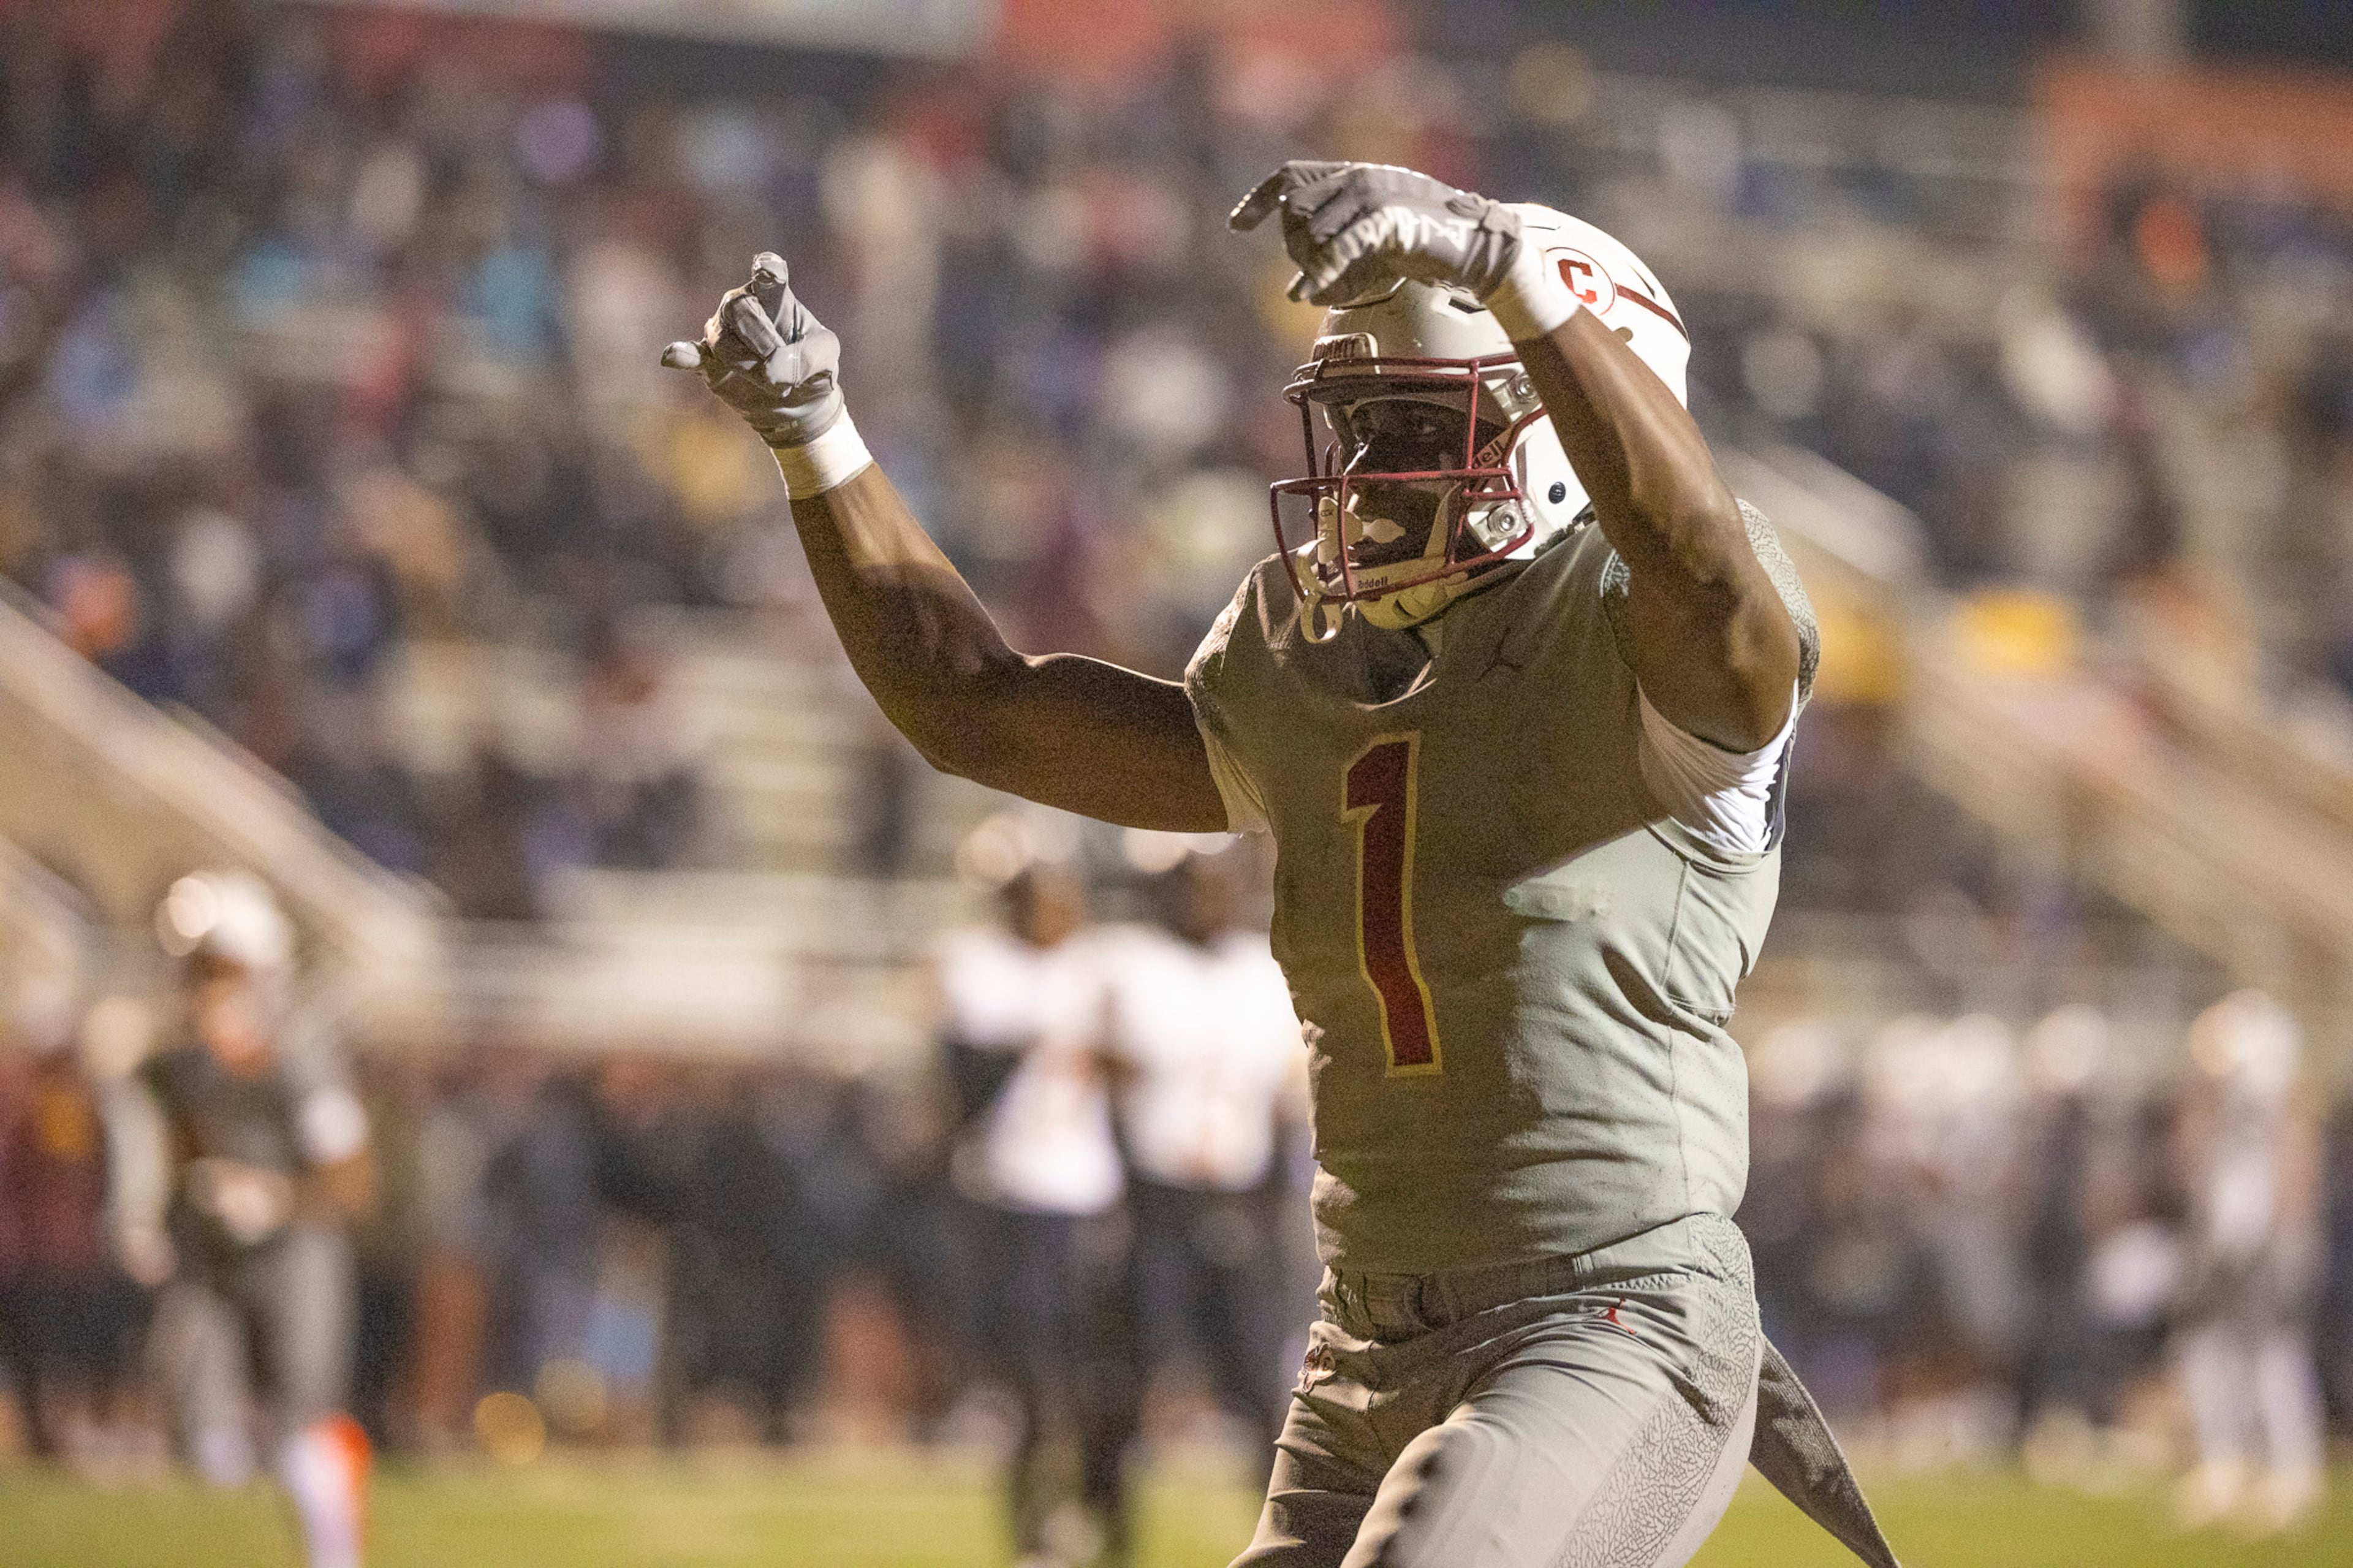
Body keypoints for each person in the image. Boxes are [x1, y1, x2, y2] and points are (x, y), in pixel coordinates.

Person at [667, 160, 1898, 1568]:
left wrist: (1498, 259)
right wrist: (817, 441)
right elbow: (980, 709)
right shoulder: (1305, 659)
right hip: (1362, 1336)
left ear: (1561, 422)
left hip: (1605, 1315)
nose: (1363, 473)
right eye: (1354, 426)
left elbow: (1702, 582)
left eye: (1409, 426)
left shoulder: (1655, 632)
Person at [108, 871, 375, 1568]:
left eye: (214, 972)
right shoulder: (176, 1068)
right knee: (201, 1424)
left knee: (304, 1422)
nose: (200, 992)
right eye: (195, 973)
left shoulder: (302, 1063)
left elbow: (354, 1182)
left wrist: (279, 1198)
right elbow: (162, 1149)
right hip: (212, 1257)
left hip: (295, 1254)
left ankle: (333, 1556)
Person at [937, 817, 1134, 1568]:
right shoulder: (980, 969)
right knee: (1027, 1381)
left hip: (1086, 1191)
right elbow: (957, 1086)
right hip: (1007, 1194)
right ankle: (1035, 1528)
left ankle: (1090, 1519)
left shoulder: (1100, 969)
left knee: (1092, 1381)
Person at [1102, 839, 1306, 1469]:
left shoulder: (1263, 971)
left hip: (1241, 1192)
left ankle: (1282, 1524)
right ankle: (1100, 1522)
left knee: (1253, 1366)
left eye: (1213, 882)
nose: (1202, 897)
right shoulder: (1131, 963)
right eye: (1189, 883)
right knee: (1130, 1367)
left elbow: (1285, 1092)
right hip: (1156, 1193)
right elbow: (1108, 1076)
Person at [2169, 990, 2327, 1534]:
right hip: (2225, 1236)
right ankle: (2227, 1459)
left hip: (2262, 1237)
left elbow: (2292, 1168)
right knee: (2210, 1345)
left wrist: (2286, 1231)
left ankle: (2292, 1465)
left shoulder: (2283, 1099)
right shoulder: (2236, 1100)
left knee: (2273, 1351)